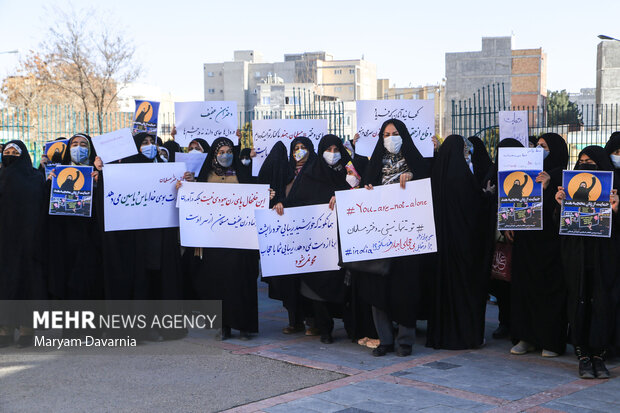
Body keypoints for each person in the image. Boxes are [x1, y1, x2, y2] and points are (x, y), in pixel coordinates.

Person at [100, 132, 184, 341]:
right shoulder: (125, 170)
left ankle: (165, 326)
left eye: (152, 143)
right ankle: (141, 329)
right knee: (140, 281)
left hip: (160, 235)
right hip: (134, 238)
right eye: (144, 143)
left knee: (161, 279)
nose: (149, 146)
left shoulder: (165, 168)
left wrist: (184, 184)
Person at [359, 118, 432, 357]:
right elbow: (362, 195)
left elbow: (428, 188)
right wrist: (368, 191)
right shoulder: (374, 165)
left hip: (409, 239)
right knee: (378, 288)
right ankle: (385, 339)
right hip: (380, 238)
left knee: (406, 289)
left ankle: (405, 341)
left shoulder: (417, 163)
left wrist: (413, 178)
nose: (391, 138)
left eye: (395, 133)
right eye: (386, 134)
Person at [555, 146, 619, 379]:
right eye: (581, 161)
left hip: (605, 257)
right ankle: (582, 353)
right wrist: (561, 205)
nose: (584, 165)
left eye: (591, 161)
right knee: (578, 300)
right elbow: (560, 226)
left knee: (603, 302)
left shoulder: (614, 188)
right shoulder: (569, 190)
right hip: (577, 257)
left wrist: (615, 208)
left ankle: (599, 354)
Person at [189, 137, 259, 340]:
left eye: (229, 151)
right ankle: (224, 326)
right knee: (218, 282)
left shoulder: (242, 174)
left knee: (241, 281)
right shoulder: (205, 176)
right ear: (214, 155)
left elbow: (255, 197)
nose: (225, 155)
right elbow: (195, 203)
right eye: (221, 152)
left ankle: (244, 325)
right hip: (215, 241)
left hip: (240, 240)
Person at [509, 133, 568, 357]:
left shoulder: (565, 176)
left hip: (552, 243)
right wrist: (509, 222)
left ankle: (550, 340)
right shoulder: (526, 174)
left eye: (545, 146)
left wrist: (549, 185)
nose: (540, 150)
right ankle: (526, 337)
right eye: (538, 146)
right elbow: (515, 201)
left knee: (549, 289)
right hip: (527, 239)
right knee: (525, 286)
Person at [427, 135, 488, 350]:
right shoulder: (464, 177)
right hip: (464, 248)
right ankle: (466, 335)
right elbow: (476, 211)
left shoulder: (436, 175)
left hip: (441, 248)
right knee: (464, 291)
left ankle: (442, 335)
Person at [269, 137, 319, 336]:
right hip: (288, 235)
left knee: (310, 279)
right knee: (290, 280)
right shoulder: (285, 172)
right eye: (296, 148)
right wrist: (278, 202)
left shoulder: (316, 171)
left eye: (303, 148)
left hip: (312, 234)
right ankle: (295, 320)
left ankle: (314, 321)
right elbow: (277, 195)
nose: (299, 151)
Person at [0, 140, 46, 348]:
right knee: (6, 284)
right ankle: (5, 329)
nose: (10, 155)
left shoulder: (36, 178)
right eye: (7, 152)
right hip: (5, 243)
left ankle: (28, 329)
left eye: (15, 152)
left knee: (28, 283)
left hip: (29, 241)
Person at [481, 138, 524, 340]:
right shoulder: (493, 173)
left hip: (520, 238)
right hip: (496, 237)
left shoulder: (527, 175)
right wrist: (487, 195)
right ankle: (504, 322)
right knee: (500, 284)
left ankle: (517, 324)